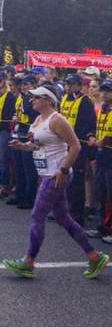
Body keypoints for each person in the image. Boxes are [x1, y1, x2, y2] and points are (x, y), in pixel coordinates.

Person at [3, 86, 109, 280]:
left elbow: (75, 146)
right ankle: (95, 256)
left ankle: (28, 262)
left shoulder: (57, 119)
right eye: (31, 97)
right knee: (64, 218)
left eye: (35, 97)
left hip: (56, 175)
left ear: (48, 100)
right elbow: (36, 145)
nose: (31, 100)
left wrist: (63, 169)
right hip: (46, 173)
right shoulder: (38, 120)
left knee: (37, 215)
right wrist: (23, 147)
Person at [59, 74, 97, 228]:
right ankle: (66, 211)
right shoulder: (65, 99)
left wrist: (89, 135)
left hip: (78, 144)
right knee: (66, 177)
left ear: (79, 85)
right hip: (65, 143)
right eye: (67, 84)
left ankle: (77, 215)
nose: (68, 87)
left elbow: (90, 122)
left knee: (77, 182)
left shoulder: (85, 101)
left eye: (71, 84)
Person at [6, 74, 38, 208]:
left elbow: (31, 113)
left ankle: (30, 198)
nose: (24, 87)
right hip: (18, 132)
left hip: (29, 134)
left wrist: (26, 98)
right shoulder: (20, 97)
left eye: (27, 84)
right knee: (18, 167)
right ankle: (19, 195)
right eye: (23, 84)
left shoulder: (33, 99)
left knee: (28, 169)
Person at [86, 80, 112, 243]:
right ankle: (102, 227)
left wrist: (106, 141)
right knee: (101, 192)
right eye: (103, 91)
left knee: (110, 195)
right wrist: (92, 137)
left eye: (108, 91)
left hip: (110, 155)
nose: (104, 94)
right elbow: (95, 128)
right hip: (102, 155)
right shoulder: (102, 109)